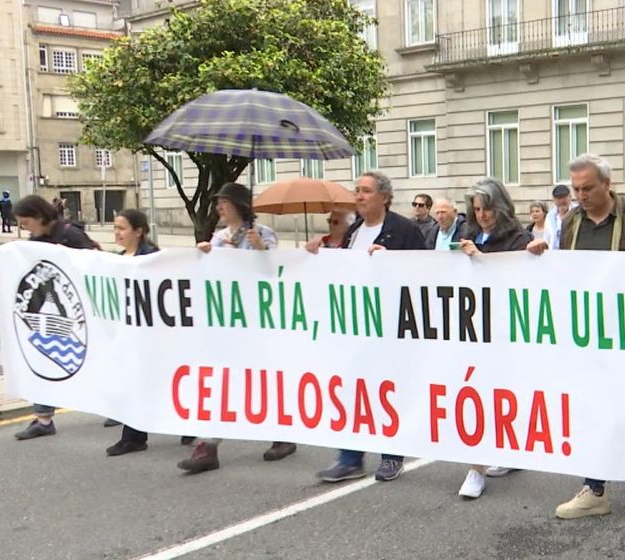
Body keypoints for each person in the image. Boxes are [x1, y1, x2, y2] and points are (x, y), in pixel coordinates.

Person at [526, 153, 625, 519]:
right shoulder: (573, 219)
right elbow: (571, 270)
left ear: (607, 184)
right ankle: (596, 489)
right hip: (586, 330)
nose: (581, 195)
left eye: (588, 188)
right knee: (589, 407)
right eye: (576, 189)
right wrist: (545, 254)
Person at [317, 171, 427, 484]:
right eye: (357, 191)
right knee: (351, 388)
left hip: (391, 325)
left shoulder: (403, 230)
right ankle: (350, 458)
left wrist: (391, 260)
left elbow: (426, 272)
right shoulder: (353, 231)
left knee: (388, 390)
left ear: (384, 197)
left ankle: (392, 455)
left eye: (366, 191)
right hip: (356, 325)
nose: (360, 196)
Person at [178, 182, 296, 473]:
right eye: (218, 202)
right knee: (221, 380)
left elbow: (273, 274)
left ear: (239, 205)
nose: (219, 207)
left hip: (255, 321)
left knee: (262, 380)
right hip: (226, 322)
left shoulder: (262, 234)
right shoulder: (218, 238)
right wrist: (204, 253)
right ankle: (208, 445)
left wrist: (260, 250)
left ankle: (282, 434)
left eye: (224, 202)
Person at [454, 179, 532, 499]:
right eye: (476, 209)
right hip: (471, 328)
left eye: (486, 208)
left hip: (502, 331)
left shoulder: (518, 238)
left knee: (498, 395)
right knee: (477, 394)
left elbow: (516, 281)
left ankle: (489, 461)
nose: (482, 215)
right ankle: (480, 464)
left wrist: (480, 258)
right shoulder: (469, 235)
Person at [12, 195, 97, 441]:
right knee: (44, 359)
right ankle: (43, 418)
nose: (23, 227)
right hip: (57, 311)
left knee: (95, 361)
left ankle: (119, 407)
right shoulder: (37, 240)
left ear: (39, 217)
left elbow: (93, 266)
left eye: (25, 221)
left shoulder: (71, 235)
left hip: (83, 313)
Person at [105, 210, 160, 456]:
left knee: (156, 382)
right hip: (129, 334)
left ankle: (135, 436)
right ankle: (133, 436)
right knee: (135, 382)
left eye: (122, 228)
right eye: (115, 228)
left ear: (138, 231)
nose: (117, 233)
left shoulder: (152, 258)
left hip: (152, 335)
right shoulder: (118, 259)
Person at [542, 184, 577, 249]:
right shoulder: (550, 216)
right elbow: (546, 239)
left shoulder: (578, 212)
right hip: (555, 255)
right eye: (558, 199)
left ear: (570, 197)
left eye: (564, 199)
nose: (561, 202)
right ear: (554, 200)